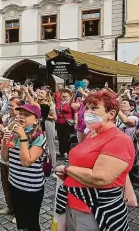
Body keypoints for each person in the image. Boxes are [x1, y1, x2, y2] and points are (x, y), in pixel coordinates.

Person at [55, 91, 135, 231]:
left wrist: (68, 170)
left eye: (94, 108)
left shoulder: (119, 140)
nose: (88, 112)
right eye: (86, 108)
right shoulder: (92, 133)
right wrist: (71, 176)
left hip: (95, 210)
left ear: (111, 114)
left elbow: (100, 177)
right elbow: (85, 163)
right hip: (73, 203)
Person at [1, 104, 46, 231]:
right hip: (14, 183)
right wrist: (4, 142)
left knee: (31, 223)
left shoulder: (39, 137)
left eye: (26, 115)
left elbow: (26, 162)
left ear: (36, 120)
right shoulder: (14, 133)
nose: (21, 117)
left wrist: (23, 137)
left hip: (31, 188)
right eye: (20, 114)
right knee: (20, 220)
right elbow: (5, 158)